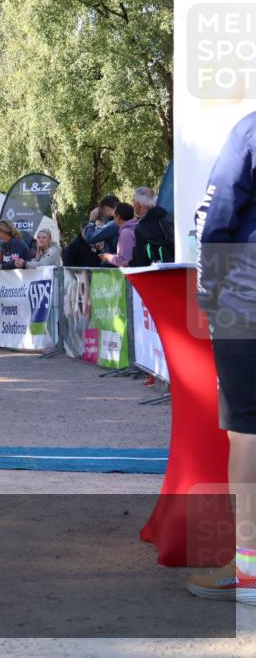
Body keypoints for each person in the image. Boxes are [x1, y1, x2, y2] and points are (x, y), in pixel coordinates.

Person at [187, 111, 256, 606]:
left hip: (247, 305)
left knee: (248, 431)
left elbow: (215, 216)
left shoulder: (250, 129)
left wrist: (209, 294)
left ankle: (251, 570)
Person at [130, 186, 174, 266]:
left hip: (157, 272)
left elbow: (141, 260)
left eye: (134, 202)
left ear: (138, 204)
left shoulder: (142, 228)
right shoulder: (170, 217)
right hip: (180, 268)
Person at [98, 203, 137, 268]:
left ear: (118, 217)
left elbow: (123, 261)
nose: (113, 219)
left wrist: (107, 257)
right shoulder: (134, 228)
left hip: (132, 274)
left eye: (114, 216)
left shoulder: (126, 232)